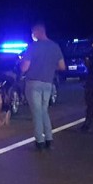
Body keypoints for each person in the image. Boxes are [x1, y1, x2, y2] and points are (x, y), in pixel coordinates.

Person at [20, 22, 65, 150]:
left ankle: (39, 141)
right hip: (48, 83)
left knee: (37, 113)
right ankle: (49, 139)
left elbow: (24, 67)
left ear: (37, 32)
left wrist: (21, 64)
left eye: (32, 33)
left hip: (33, 83)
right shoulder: (55, 46)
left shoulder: (33, 46)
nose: (32, 35)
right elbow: (62, 66)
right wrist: (49, 68)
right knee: (44, 111)